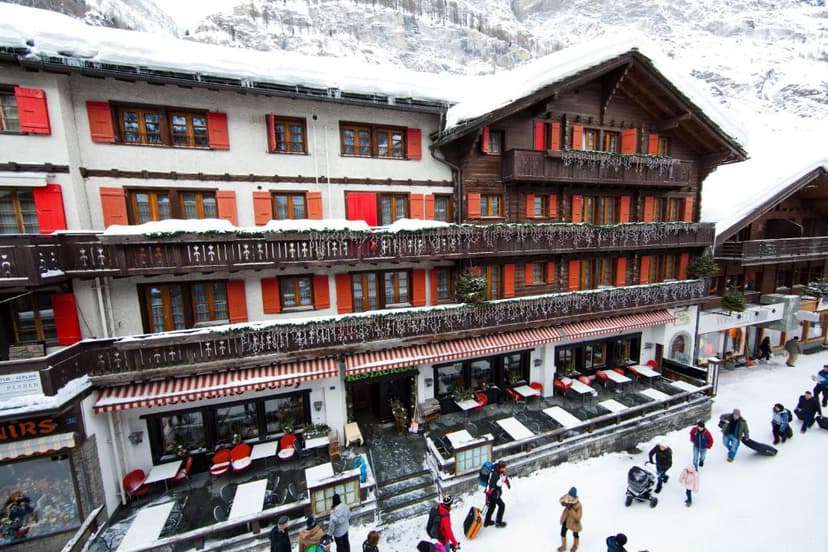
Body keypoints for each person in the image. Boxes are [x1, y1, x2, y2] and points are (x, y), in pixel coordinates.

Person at [483, 461, 510, 528]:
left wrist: (508, 484)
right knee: (502, 506)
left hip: (495, 493)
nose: (505, 469)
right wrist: (488, 497)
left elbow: (504, 478)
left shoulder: (500, 472)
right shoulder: (496, 474)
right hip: (494, 493)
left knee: (492, 507)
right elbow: (491, 486)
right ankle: (498, 522)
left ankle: (487, 522)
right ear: (501, 468)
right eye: (504, 468)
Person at [558, 487, 582, 552]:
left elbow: (578, 517)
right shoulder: (567, 499)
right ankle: (563, 546)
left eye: (570, 497)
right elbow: (561, 500)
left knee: (575, 534)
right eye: (568, 496)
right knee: (562, 533)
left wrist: (570, 509)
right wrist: (563, 502)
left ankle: (575, 546)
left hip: (574, 522)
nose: (568, 498)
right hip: (566, 520)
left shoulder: (578, 505)